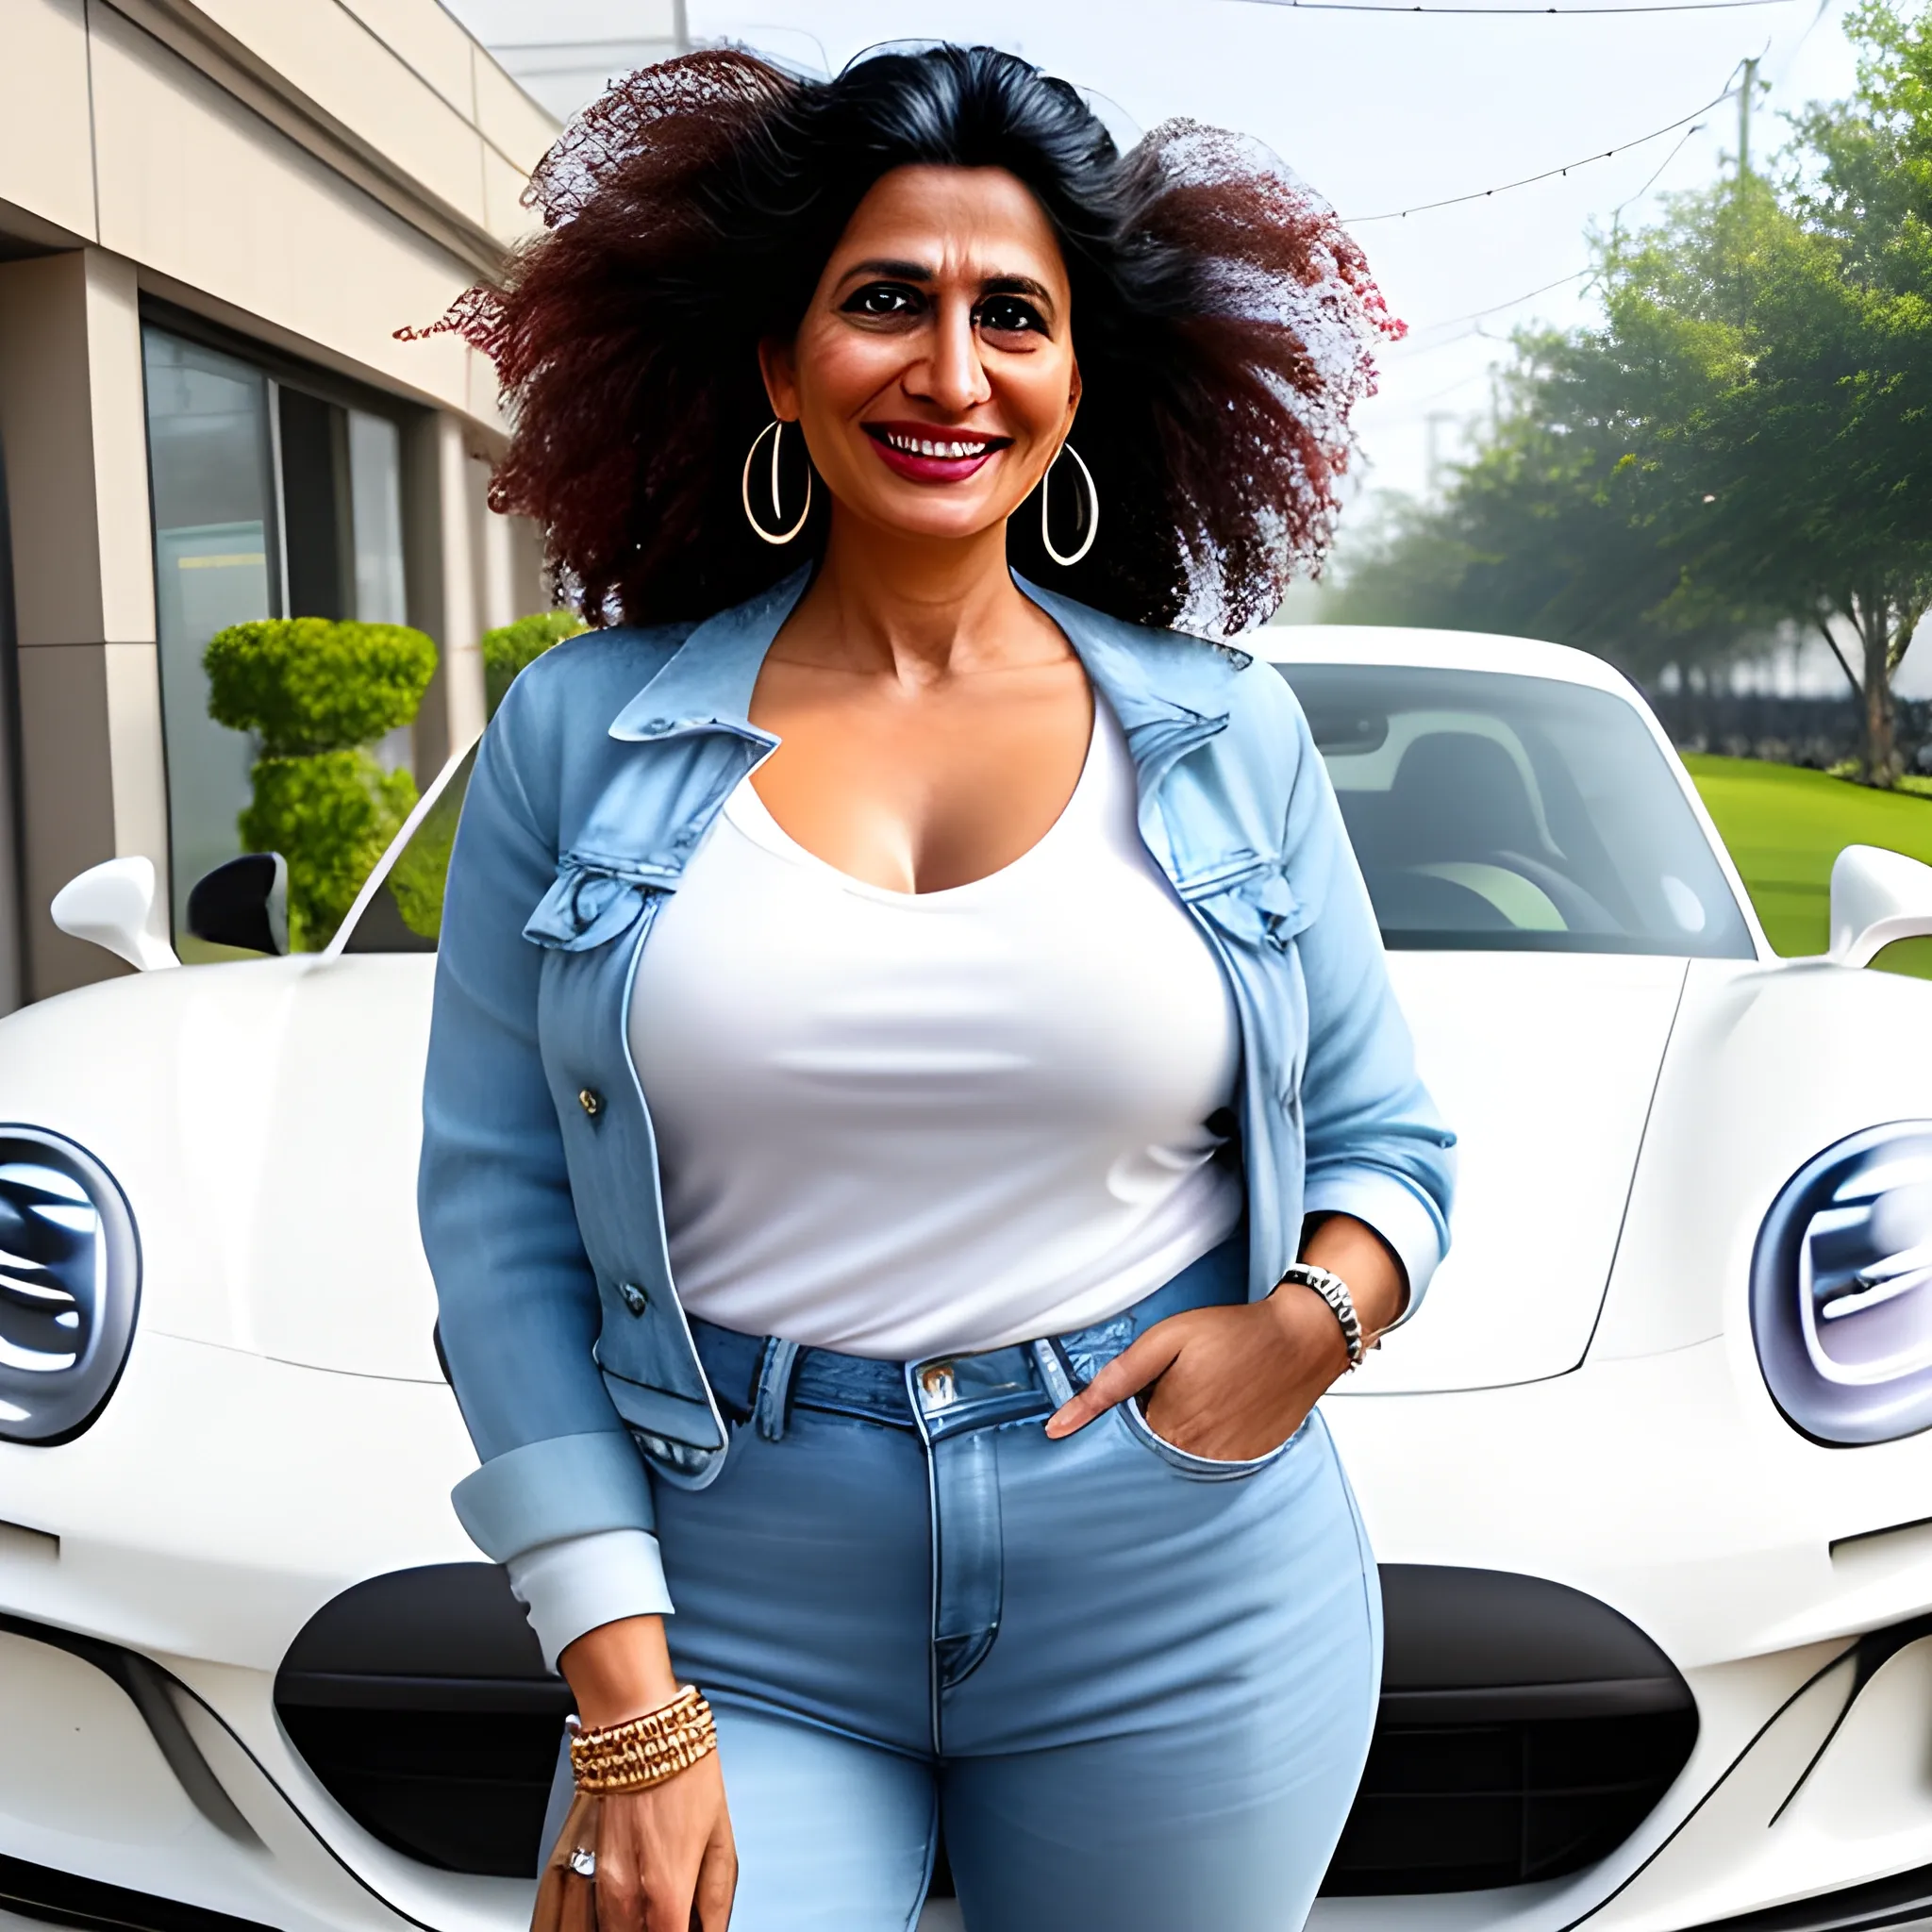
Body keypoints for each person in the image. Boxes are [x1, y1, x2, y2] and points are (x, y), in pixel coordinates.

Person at [419, 42, 1454, 1932]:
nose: (950, 372)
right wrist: (629, 1702)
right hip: (731, 1579)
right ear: (776, 357)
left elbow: (1389, 1143)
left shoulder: (1227, 737)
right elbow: (496, 1222)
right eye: (885, 300)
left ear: (1078, 376)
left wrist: (1306, 1324)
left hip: (1177, 1581)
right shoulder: (576, 736)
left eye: (1013, 316)